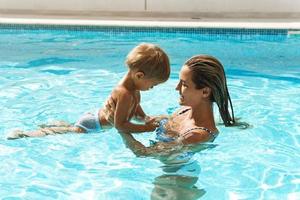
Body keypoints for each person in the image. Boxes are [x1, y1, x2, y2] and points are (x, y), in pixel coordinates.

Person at [7, 43, 170, 139]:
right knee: (62, 133)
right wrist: (147, 128)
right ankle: (26, 134)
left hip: (94, 117)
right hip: (93, 125)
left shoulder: (134, 89)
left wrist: (148, 119)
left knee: (68, 127)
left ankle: (50, 124)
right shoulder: (125, 93)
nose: (152, 88)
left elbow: (136, 114)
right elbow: (121, 126)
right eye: (153, 84)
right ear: (140, 75)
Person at [105, 54, 243, 156]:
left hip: (177, 183)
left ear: (205, 91)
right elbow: (150, 121)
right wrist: (124, 111)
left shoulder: (196, 135)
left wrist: (121, 129)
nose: (177, 88)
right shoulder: (183, 112)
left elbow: (144, 153)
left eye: (184, 84)